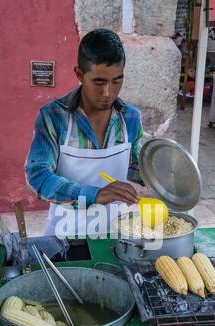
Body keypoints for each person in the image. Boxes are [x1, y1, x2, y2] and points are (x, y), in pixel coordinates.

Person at [25, 29, 145, 238]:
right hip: (64, 235)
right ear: (79, 74)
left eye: (117, 81)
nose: (108, 92)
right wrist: (94, 194)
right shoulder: (53, 116)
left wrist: (159, 175)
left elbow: (135, 168)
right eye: (99, 82)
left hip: (116, 235)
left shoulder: (131, 118)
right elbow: (38, 176)